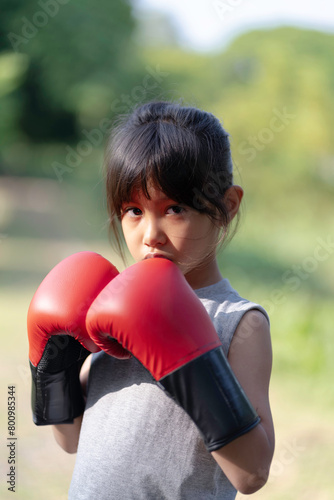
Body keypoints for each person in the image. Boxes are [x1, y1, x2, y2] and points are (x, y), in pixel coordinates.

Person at [29, 101, 275, 499]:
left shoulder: (239, 322)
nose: (150, 234)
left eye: (174, 209)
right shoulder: (110, 309)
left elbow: (252, 475)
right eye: (133, 210)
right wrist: (51, 370)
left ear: (227, 206)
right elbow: (71, 438)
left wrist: (192, 368)